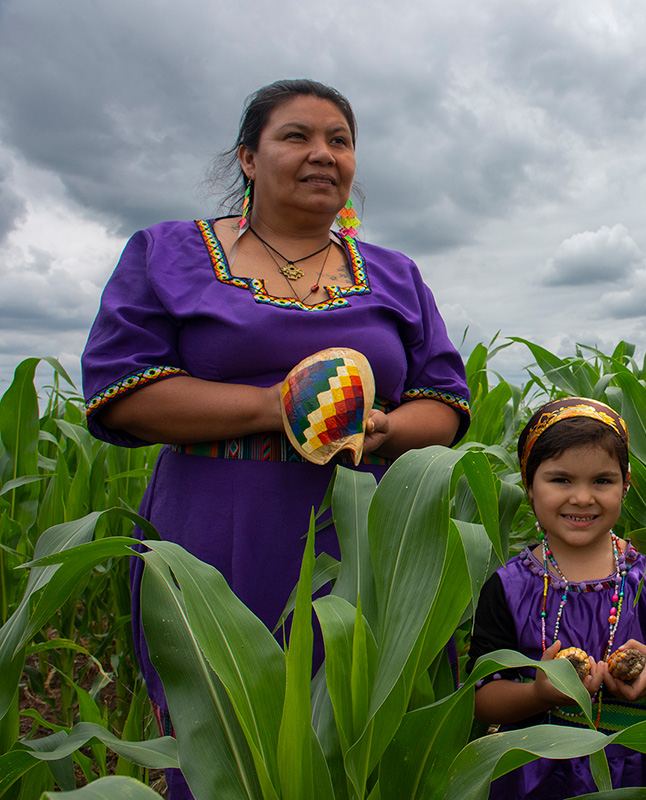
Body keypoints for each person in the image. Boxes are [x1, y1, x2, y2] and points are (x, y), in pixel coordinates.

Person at [81, 79, 469, 799]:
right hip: (218, 533)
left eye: (339, 141)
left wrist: (382, 427)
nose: (323, 153)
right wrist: (279, 407)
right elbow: (123, 391)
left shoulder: (394, 274)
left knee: (364, 734)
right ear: (249, 158)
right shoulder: (169, 253)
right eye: (297, 136)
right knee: (229, 744)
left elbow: (443, 401)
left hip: (363, 534)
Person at [468, 398, 646, 799]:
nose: (583, 498)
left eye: (602, 481)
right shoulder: (507, 588)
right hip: (533, 775)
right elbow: (482, 698)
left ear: (626, 484)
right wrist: (538, 693)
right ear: (529, 485)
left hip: (638, 773)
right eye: (561, 480)